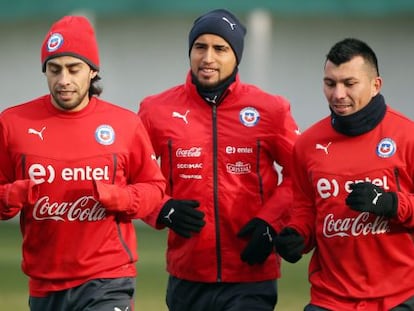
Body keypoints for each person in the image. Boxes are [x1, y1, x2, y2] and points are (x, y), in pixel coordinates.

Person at [0, 15, 166, 311]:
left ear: (92, 71)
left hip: (108, 279)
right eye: (54, 69)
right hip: (44, 284)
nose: (63, 80)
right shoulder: (12, 123)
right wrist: (12, 196)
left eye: (73, 69)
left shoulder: (125, 124)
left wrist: (122, 197)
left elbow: (155, 189)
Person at [138, 8, 300, 311]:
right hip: (187, 274)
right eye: (200, 47)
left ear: (236, 56)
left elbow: (300, 174)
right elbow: (133, 177)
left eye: (220, 48)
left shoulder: (271, 109)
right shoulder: (155, 110)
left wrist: (271, 222)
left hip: (251, 272)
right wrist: (161, 210)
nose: (208, 58)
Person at [274, 37, 414, 311]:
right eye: (330, 83)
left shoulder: (407, 137)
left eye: (349, 84)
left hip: (398, 298)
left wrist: (392, 203)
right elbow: (305, 210)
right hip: (330, 299)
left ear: (376, 85)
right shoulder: (307, 145)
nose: (338, 94)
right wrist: (296, 236)